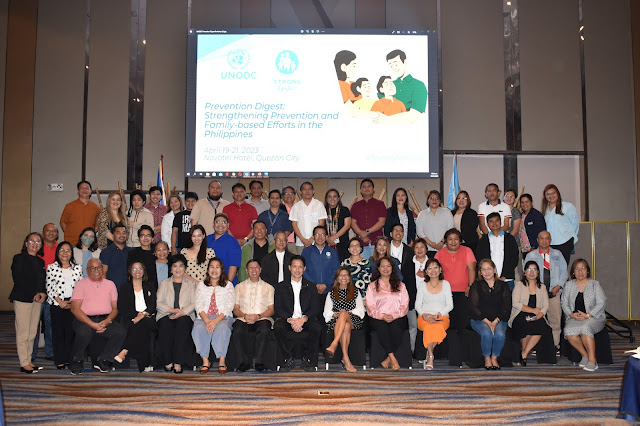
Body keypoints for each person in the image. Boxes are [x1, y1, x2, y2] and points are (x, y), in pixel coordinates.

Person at [70, 258, 126, 374]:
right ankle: (77, 359)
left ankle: (105, 359)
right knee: (84, 331)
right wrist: (92, 324)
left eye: (99, 267)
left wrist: (107, 321)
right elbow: (75, 309)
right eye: (93, 268)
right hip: (85, 320)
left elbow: (115, 308)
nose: (97, 270)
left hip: (104, 319)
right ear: (87, 270)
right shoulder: (81, 284)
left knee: (120, 331)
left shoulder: (110, 284)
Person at [273, 255, 322, 372]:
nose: (297, 270)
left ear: (304, 269)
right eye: (295, 266)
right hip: (288, 319)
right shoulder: (280, 286)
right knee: (278, 327)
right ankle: (287, 358)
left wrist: (303, 319)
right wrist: (291, 320)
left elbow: (316, 308)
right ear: (289, 268)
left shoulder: (311, 286)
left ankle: (308, 359)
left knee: (317, 327)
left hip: (305, 319)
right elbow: (278, 308)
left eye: (300, 267)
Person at [10, 232, 47, 373]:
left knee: (32, 333)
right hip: (23, 299)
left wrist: (42, 293)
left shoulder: (40, 261)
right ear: (26, 244)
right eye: (32, 241)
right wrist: (34, 294)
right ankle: (23, 362)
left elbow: (42, 281)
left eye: (38, 241)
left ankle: (29, 360)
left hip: (37, 301)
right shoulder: (19, 259)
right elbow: (19, 279)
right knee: (23, 332)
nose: (35, 243)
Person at [524, 230, 568, 348]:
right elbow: (526, 275)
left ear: (550, 240)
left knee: (555, 321)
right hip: (538, 294)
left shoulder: (558, 254)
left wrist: (559, 286)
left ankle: (555, 346)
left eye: (547, 238)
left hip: (555, 294)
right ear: (537, 240)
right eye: (541, 238)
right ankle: (535, 347)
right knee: (536, 321)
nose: (544, 241)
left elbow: (564, 272)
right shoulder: (530, 256)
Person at [562, 259, 606, 372]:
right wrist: (571, 315)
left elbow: (602, 302)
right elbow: (564, 303)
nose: (580, 271)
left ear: (587, 271)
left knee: (585, 328)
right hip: (574, 318)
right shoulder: (568, 285)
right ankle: (584, 355)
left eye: (583, 268)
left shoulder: (594, 284)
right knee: (568, 332)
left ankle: (593, 361)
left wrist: (588, 315)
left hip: (593, 317)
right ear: (573, 272)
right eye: (577, 269)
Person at [365, 256, 410, 370]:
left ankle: (388, 359)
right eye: (383, 266)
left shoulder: (401, 285)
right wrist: (382, 316)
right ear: (378, 269)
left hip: (397, 316)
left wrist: (394, 316)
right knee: (382, 328)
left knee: (396, 328)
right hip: (378, 318)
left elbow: (405, 304)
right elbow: (370, 306)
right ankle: (392, 357)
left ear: (392, 268)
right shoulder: (372, 286)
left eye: (388, 266)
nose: (386, 269)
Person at [192, 257, 235, 374]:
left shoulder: (228, 285)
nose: (214, 270)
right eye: (212, 267)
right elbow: (198, 305)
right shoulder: (201, 285)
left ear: (221, 270)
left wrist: (215, 321)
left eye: (217, 267)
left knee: (222, 328)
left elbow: (229, 306)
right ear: (208, 270)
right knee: (198, 328)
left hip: (223, 317)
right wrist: (207, 320)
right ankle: (205, 361)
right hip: (204, 317)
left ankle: (222, 360)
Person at [156, 254, 197, 374]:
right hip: (166, 313)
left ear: (185, 268)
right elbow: (158, 302)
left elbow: (194, 303)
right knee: (165, 326)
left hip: (185, 314)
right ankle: (168, 361)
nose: (178, 269)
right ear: (170, 269)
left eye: (181, 266)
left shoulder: (191, 284)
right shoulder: (164, 283)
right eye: (175, 266)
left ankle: (178, 362)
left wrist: (182, 312)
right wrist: (172, 310)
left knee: (182, 325)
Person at [232, 259, 275, 372]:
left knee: (265, 329)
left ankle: (260, 362)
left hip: (262, 317)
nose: (254, 270)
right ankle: (243, 362)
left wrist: (259, 316)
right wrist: (245, 316)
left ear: (260, 270)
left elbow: (271, 309)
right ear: (246, 271)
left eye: (256, 267)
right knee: (237, 330)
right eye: (251, 268)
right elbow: (235, 309)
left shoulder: (269, 287)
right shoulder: (239, 287)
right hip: (243, 317)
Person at [468, 259, 511, 370]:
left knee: (500, 335)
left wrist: (495, 321)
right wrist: (487, 322)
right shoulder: (476, 285)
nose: (487, 271)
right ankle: (487, 358)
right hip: (479, 319)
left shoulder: (503, 285)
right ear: (480, 272)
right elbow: (473, 307)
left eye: (489, 268)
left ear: (494, 270)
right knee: (487, 334)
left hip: (499, 319)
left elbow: (507, 306)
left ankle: (494, 357)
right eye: (484, 269)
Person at [46, 241, 83, 369]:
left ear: (71, 253)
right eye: (62, 250)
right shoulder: (52, 267)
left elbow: (80, 286)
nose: (65, 253)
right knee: (58, 333)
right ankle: (59, 360)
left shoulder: (77, 267)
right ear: (58, 252)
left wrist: (74, 302)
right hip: (57, 304)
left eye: (68, 250)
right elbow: (50, 287)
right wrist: (60, 302)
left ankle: (69, 359)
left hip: (73, 303)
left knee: (71, 332)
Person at [114, 262, 157, 372]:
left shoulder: (150, 285)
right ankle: (144, 364)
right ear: (130, 271)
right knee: (140, 327)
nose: (137, 271)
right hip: (131, 318)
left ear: (144, 271)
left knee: (142, 323)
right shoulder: (124, 287)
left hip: (148, 317)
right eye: (134, 269)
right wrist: (136, 315)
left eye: (140, 269)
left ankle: (125, 350)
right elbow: (122, 307)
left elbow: (152, 305)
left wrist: (142, 315)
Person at [508, 261, 551, 366]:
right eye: (529, 269)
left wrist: (539, 315)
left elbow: (546, 306)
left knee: (541, 326)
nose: (531, 272)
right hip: (520, 313)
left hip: (538, 315)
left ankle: (524, 353)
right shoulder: (519, 285)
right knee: (524, 324)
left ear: (538, 273)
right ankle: (524, 352)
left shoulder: (542, 287)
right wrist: (532, 310)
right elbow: (515, 303)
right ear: (524, 272)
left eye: (534, 270)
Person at [434, 228, 477, 333]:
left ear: (460, 241)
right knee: (449, 323)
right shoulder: (440, 254)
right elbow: (435, 273)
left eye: (456, 239)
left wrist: (470, 285)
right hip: (446, 293)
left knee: (463, 322)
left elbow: (472, 269)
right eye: (450, 239)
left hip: (464, 292)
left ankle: (462, 347)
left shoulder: (467, 250)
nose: (453, 242)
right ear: (445, 241)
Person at [323, 267, 365, 372]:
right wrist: (335, 314)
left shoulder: (355, 292)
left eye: (346, 275)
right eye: (341, 275)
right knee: (344, 324)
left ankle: (334, 343)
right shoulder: (331, 293)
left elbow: (361, 310)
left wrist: (349, 313)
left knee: (344, 314)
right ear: (337, 278)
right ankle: (345, 358)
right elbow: (326, 312)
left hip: (353, 320)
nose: (343, 277)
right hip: (337, 321)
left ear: (350, 278)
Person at [415, 258, 453, 370]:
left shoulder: (446, 284)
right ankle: (431, 355)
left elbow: (450, 305)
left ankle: (429, 354)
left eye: (435, 267)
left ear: (440, 270)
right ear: (426, 271)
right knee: (428, 327)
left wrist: (438, 315)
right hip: (424, 317)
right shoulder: (422, 285)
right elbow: (417, 305)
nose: (433, 270)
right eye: (429, 268)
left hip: (442, 317)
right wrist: (424, 315)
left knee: (438, 327)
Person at [475, 212, 519, 291]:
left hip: (507, 280)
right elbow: (479, 259)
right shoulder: (483, 240)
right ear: (487, 224)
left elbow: (514, 258)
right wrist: (490, 276)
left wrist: (504, 276)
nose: (494, 223)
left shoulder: (510, 239)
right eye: (491, 221)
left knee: (508, 302)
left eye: (496, 220)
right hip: (488, 280)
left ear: (500, 222)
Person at [542, 184, 579, 265]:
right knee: (551, 270)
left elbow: (575, 224)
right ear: (545, 196)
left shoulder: (568, 206)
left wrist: (572, 239)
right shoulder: (545, 209)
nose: (551, 196)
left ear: (558, 193)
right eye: (548, 194)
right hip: (550, 244)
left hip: (564, 243)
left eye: (553, 193)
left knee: (562, 270)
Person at [37, 223, 59, 362]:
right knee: (34, 324)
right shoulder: (37, 247)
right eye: (48, 230)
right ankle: (31, 354)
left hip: (54, 291)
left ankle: (50, 351)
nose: (51, 233)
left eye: (53, 231)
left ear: (57, 234)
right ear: (43, 232)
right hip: (38, 289)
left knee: (50, 322)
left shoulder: (60, 248)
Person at [350, 179, 387, 259]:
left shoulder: (380, 204)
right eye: (364, 187)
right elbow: (353, 223)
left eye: (369, 186)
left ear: (373, 189)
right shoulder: (355, 205)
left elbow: (381, 222)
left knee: (377, 268)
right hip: (360, 244)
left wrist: (367, 232)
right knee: (363, 268)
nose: (367, 188)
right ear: (361, 190)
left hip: (377, 244)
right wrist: (361, 234)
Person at [289, 181, 327, 255]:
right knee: (301, 263)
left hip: (316, 241)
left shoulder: (319, 204)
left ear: (313, 191)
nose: (307, 191)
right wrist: (302, 239)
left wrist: (313, 238)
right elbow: (294, 224)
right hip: (300, 242)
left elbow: (321, 223)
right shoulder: (296, 206)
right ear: (300, 192)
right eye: (304, 189)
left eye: (309, 189)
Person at [302, 226, 340, 295]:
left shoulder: (333, 252)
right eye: (317, 234)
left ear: (326, 237)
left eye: (322, 234)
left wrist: (326, 284)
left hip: (329, 289)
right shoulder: (306, 251)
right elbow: (303, 270)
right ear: (313, 237)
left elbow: (336, 270)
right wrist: (315, 285)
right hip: (311, 289)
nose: (320, 237)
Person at [60, 180, 100, 246]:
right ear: (77, 191)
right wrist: (70, 233)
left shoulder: (96, 208)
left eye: (87, 188)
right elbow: (63, 222)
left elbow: (97, 226)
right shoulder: (69, 206)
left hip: (88, 244)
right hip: (72, 243)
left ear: (90, 191)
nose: (84, 190)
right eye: (82, 188)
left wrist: (90, 237)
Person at [416, 190, 454, 258]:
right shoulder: (422, 214)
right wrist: (430, 243)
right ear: (428, 200)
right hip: (427, 250)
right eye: (432, 198)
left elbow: (451, 229)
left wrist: (442, 242)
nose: (434, 200)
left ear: (440, 201)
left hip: (444, 248)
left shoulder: (446, 212)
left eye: (437, 198)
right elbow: (419, 231)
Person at [206, 213, 241, 285]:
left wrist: (227, 284)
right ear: (213, 224)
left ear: (228, 225)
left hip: (225, 284)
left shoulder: (233, 242)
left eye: (224, 222)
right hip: (208, 283)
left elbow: (234, 265)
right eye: (217, 222)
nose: (220, 225)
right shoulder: (207, 239)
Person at [223, 183, 258, 247]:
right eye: (236, 191)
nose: (239, 194)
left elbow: (256, 227)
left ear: (245, 193)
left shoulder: (251, 208)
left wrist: (245, 239)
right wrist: (234, 240)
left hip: (248, 243)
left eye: (241, 191)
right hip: (230, 241)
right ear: (233, 194)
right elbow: (224, 226)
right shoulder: (226, 208)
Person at [99, 224, 132, 289]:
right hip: (112, 290)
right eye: (118, 233)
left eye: (124, 233)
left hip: (128, 290)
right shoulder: (106, 252)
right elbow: (103, 273)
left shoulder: (131, 251)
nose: (121, 235)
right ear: (113, 235)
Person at [324, 188, 352, 262]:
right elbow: (320, 226)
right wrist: (327, 239)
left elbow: (347, 226)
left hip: (342, 244)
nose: (332, 198)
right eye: (329, 196)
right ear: (326, 199)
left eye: (334, 196)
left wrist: (334, 237)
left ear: (338, 198)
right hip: (326, 244)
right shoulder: (323, 210)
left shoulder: (344, 210)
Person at [281, 186, 297, 252]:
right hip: (282, 242)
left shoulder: (299, 207)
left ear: (295, 195)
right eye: (286, 194)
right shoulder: (279, 208)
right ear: (282, 196)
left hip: (297, 241)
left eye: (291, 193)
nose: (289, 196)